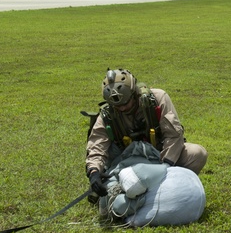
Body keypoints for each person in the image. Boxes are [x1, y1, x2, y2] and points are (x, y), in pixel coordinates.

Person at [85, 68, 207, 197]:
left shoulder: (158, 99)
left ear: (134, 93)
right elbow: (96, 146)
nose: (122, 108)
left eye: (125, 103)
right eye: (117, 106)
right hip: (127, 163)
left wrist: (164, 166)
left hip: (161, 156)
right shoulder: (107, 115)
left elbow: (173, 135)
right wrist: (94, 172)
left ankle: (170, 188)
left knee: (197, 154)